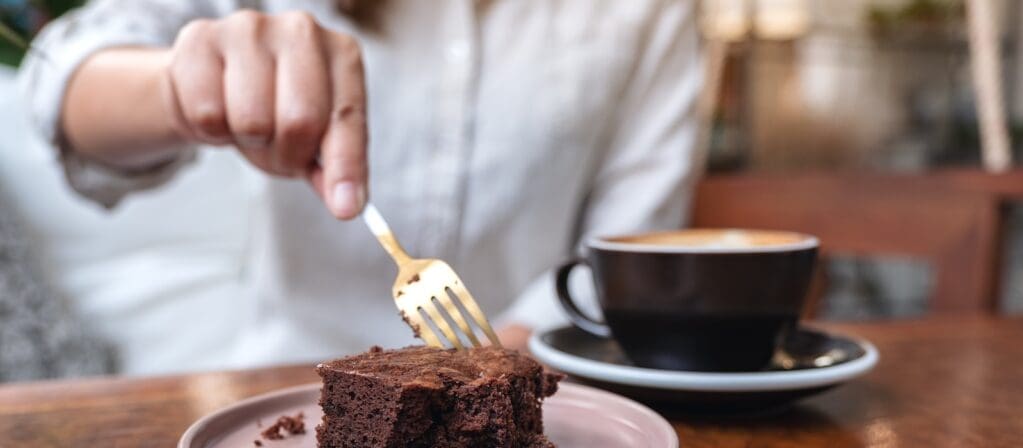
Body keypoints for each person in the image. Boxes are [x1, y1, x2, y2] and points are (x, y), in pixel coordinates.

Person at [18, 0, 701, 373]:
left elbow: (623, 253)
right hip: (282, 392)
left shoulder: (646, 15)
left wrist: (494, 371)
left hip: (533, 384)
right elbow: (62, 82)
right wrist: (180, 85)